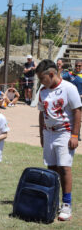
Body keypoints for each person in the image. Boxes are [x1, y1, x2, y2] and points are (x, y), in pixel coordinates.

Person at [36, 59, 81, 221]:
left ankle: (67, 204)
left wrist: (75, 135)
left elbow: (77, 111)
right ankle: (52, 200)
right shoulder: (42, 91)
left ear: (51, 74)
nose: (41, 82)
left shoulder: (69, 88)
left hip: (64, 132)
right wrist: (42, 135)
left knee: (65, 168)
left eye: (42, 78)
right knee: (51, 168)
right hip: (49, 133)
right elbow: (41, 113)